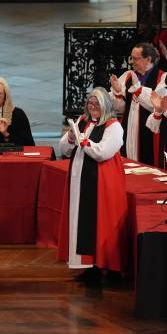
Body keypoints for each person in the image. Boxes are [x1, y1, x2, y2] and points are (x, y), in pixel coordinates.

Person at [58, 87, 128, 283]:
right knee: (82, 221)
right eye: (90, 104)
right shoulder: (83, 121)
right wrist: (71, 139)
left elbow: (103, 152)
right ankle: (88, 265)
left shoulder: (113, 126)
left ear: (106, 105)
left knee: (101, 221)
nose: (93, 107)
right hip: (80, 179)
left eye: (97, 104)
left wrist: (83, 141)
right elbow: (63, 148)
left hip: (102, 182)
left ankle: (104, 265)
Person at [111, 42, 166, 165]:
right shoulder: (128, 76)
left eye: (135, 58)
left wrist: (138, 89)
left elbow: (155, 103)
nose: (131, 62)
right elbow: (120, 108)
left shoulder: (163, 78)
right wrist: (118, 92)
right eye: (131, 58)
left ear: (148, 59)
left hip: (149, 133)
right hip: (129, 128)